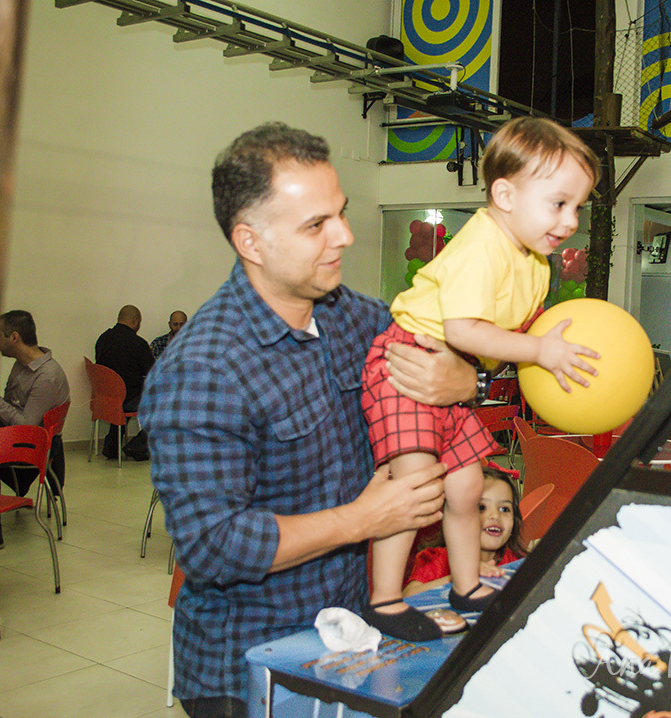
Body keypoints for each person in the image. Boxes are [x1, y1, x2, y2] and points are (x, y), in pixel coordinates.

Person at [140, 121, 481, 716]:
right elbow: (211, 544)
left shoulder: (352, 316)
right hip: (251, 662)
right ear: (251, 241)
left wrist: (462, 375)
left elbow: (434, 350)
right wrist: (360, 519)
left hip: (350, 637)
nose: (345, 236)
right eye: (316, 225)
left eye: (341, 213)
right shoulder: (204, 368)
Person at [360, 117, 600, 641]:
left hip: (450, 376)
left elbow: (498, 334)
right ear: (505, 194)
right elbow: (464, 328)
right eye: (558, 203)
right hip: (406, 362)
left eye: (578, 207)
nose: (570, 220)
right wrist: (539, 350)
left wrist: (543, 343)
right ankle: (383, 598)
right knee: (418, 486)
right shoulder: (483, 243)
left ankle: (465, 585)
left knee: (467, 484)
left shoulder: (535, 261)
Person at [0, 311, 71, 537]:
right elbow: (11, 408)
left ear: (14, 337)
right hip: (18, 435)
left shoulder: (47, 376)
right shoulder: (22, 364)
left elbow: (27, 426)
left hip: (35, 446)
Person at [403, 467, 528, 597]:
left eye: (504, 509)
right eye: (481, 507)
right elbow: (408, 596)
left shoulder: (516, 562)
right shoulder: (439, 560)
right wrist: (459, 577)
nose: (495, 516)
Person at [94, 304, 154, 459]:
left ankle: (111, 446)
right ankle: (138, 446)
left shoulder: (102, 339)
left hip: (107, 398)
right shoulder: (137, 343)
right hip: (127, 398)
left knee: (122, 391)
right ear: (135, 321)